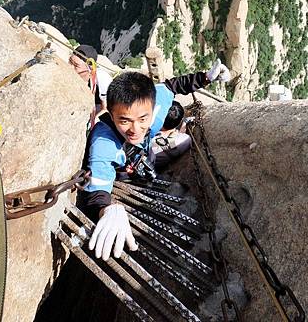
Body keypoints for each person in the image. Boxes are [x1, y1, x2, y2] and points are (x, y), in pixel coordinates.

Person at [78, 59, 230, 262]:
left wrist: (206, 77)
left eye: (143, 119)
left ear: (152, 108)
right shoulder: (104, 143)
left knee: (185, 142)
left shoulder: (156, 106)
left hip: (144, 153)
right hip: (124, 171)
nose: (135, 129)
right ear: (111, 114)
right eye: (124, 120)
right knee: (178, 143)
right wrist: (108, 209)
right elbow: (96, 190)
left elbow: (173, 86)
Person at [69, 44, 113, 128]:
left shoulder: (102, 79)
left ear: (89, 69)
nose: (71, 67)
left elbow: (106, 109)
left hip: (101, 107)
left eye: (76, 65)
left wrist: (92, 121)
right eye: (70, 61)